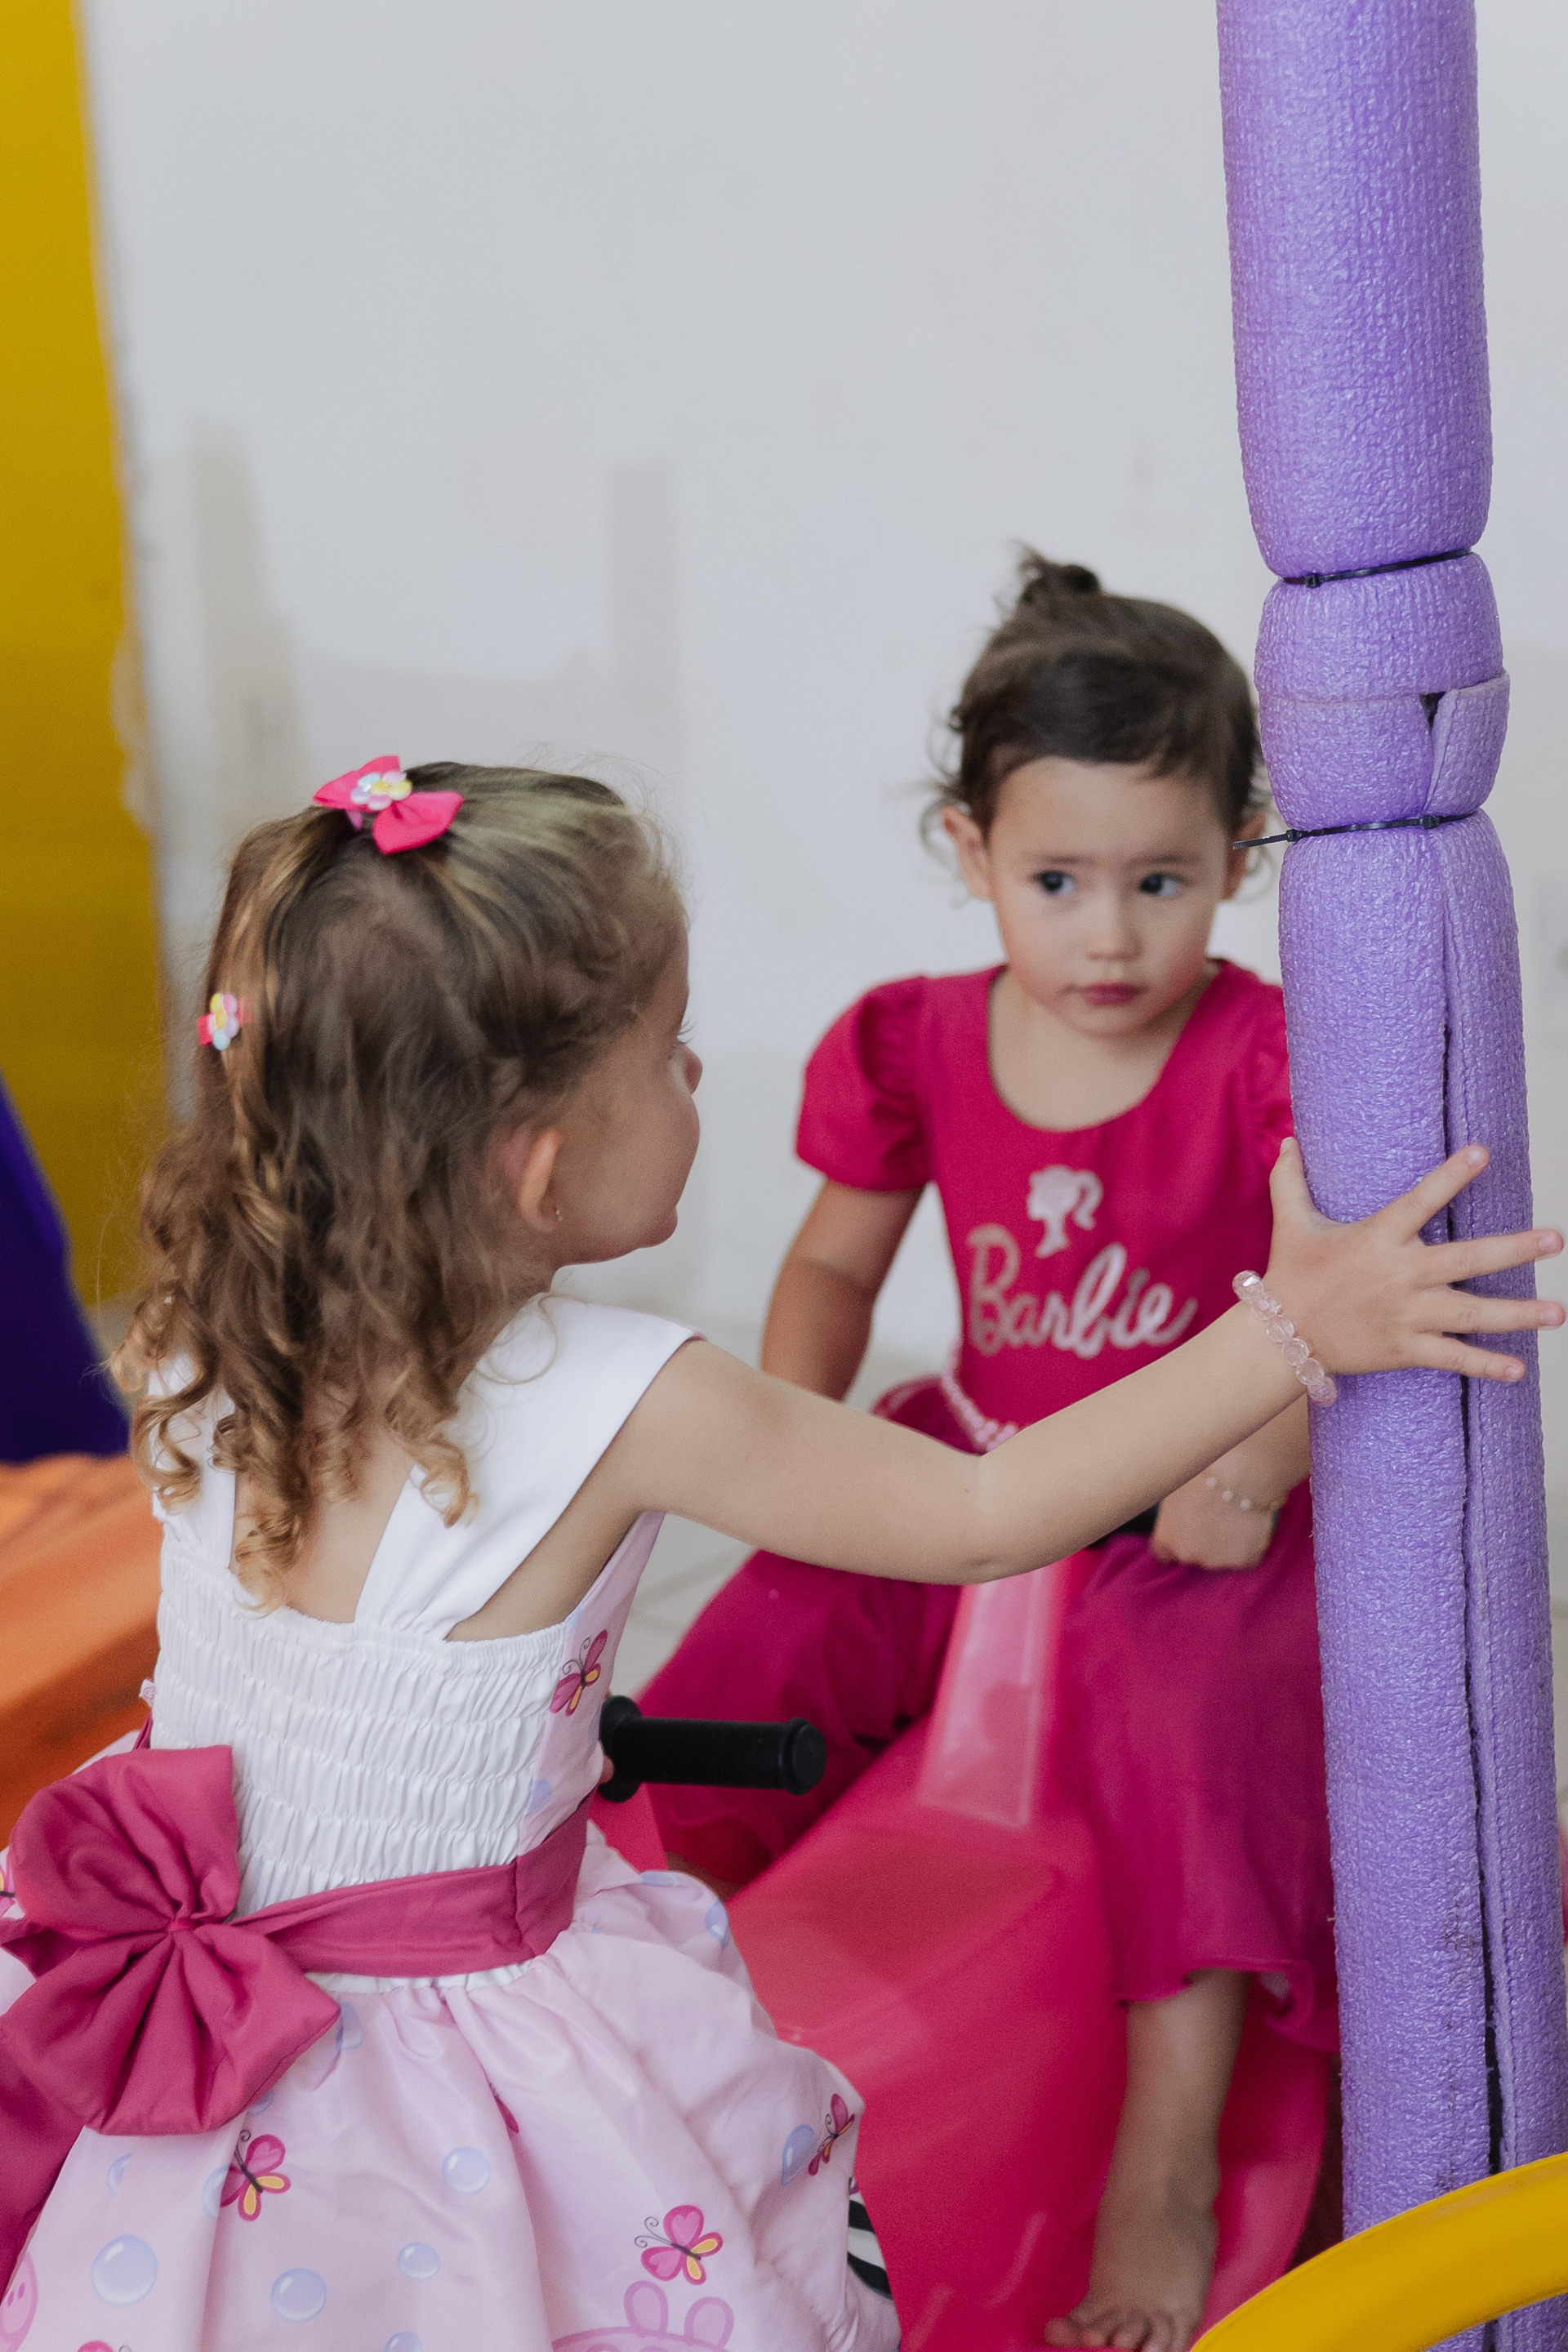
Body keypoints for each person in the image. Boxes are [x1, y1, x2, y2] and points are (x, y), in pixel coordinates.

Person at [0, 756, 1557, 2352]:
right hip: (452, 2073)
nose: (694, 1076)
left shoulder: (201, 1338)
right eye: (667, 1052)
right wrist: (1293, 1327)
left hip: (176, 2028)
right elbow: (983, 1514)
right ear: (537, 1161)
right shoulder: (621, 1393)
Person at [633, 556, 1499, 2350]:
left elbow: (1328, 1284)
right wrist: (796, 1447)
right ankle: (635, 1972)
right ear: (971, 851)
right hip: (973, 1455)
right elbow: (834, 1268)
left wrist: (1254, 1463)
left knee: (1193, 1727)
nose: (1110, 940)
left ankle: (1165, 2157)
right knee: (760, 1636)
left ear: (1240, 856)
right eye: (1058, 883)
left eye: (1160, 882)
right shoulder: (916, 1041)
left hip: (1184, 1497)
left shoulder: (1263, 1054)